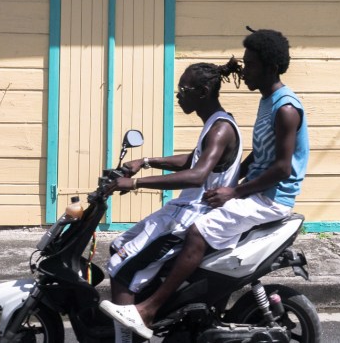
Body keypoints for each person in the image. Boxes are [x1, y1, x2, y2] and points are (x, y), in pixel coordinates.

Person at [101, 28, 309, 340]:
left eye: (250, 64)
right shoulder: (268, 102)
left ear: (268, 67)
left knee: (198, 231)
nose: (244, 70)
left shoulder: (286, 108)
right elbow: (261, 156)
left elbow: (281, 167)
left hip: (272, 197)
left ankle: (148, 310)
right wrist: (231, 173)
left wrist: (233, 191)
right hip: (258, 191)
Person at [101, 59, 244, 342]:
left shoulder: (220, 129)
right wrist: (146, 161)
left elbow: (197, 174)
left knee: (121, 269)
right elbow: (193, 160)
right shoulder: (216, 123)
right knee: (119, 246)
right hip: (182, 211)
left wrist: (137, 182)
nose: (178, 95)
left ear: (203, 92)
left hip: (191, 215)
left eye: (183, 89)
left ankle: (132, 333)